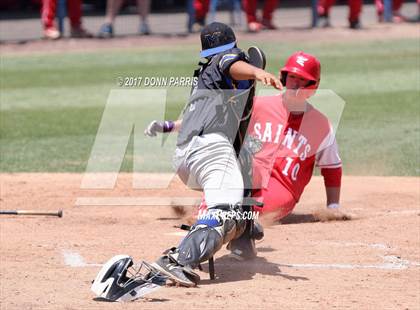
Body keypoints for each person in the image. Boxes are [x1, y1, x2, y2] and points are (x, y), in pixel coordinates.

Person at [145, 51, 345, 260]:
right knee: (229, 168)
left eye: (304, 80)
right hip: (251, 173)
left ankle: (218, 221)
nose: (296, 84)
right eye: (293, 77)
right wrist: (169, 126)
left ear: (314, 86)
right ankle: (213, 214)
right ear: (284, 78)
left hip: (282, 187)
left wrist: (333, 206)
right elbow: (213, 119)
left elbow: (332, 167)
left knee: (245, 206)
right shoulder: (260, 105)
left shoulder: (321, 125)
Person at [145, 22, 282, 287]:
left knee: (243, 169)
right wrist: (257, 71)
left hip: (189, 157)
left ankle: (243, 236)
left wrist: (167, 126)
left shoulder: (205, 78)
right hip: (210, 150)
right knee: (223, 211)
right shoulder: (227, 60)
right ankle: (178, 260)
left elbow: (194, 118)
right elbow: (231, 62)